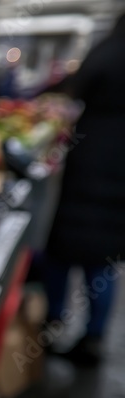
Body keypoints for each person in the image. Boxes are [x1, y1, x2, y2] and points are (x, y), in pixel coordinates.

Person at [44, 14, 125, 364]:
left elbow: (77, 85)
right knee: (104, 265)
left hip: (91, 159)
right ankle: (93, 338)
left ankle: (51, 323)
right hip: (114, 176)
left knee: (60, 254)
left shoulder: (106, 51)